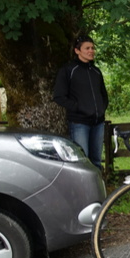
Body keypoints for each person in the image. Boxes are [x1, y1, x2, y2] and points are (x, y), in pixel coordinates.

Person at [53, 35, 109, 169]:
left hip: (98, 123)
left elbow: (103, 95)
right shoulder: (68, 70)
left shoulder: (96, 71)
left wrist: (101, 109)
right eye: (87, 48)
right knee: (82, 162)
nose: (91, 51)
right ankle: (83, 190)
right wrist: (78, 108)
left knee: (96, 162)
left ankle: (98, 189)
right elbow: (59, 96)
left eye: (92, 48)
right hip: (79, 123)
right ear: (77, 51)